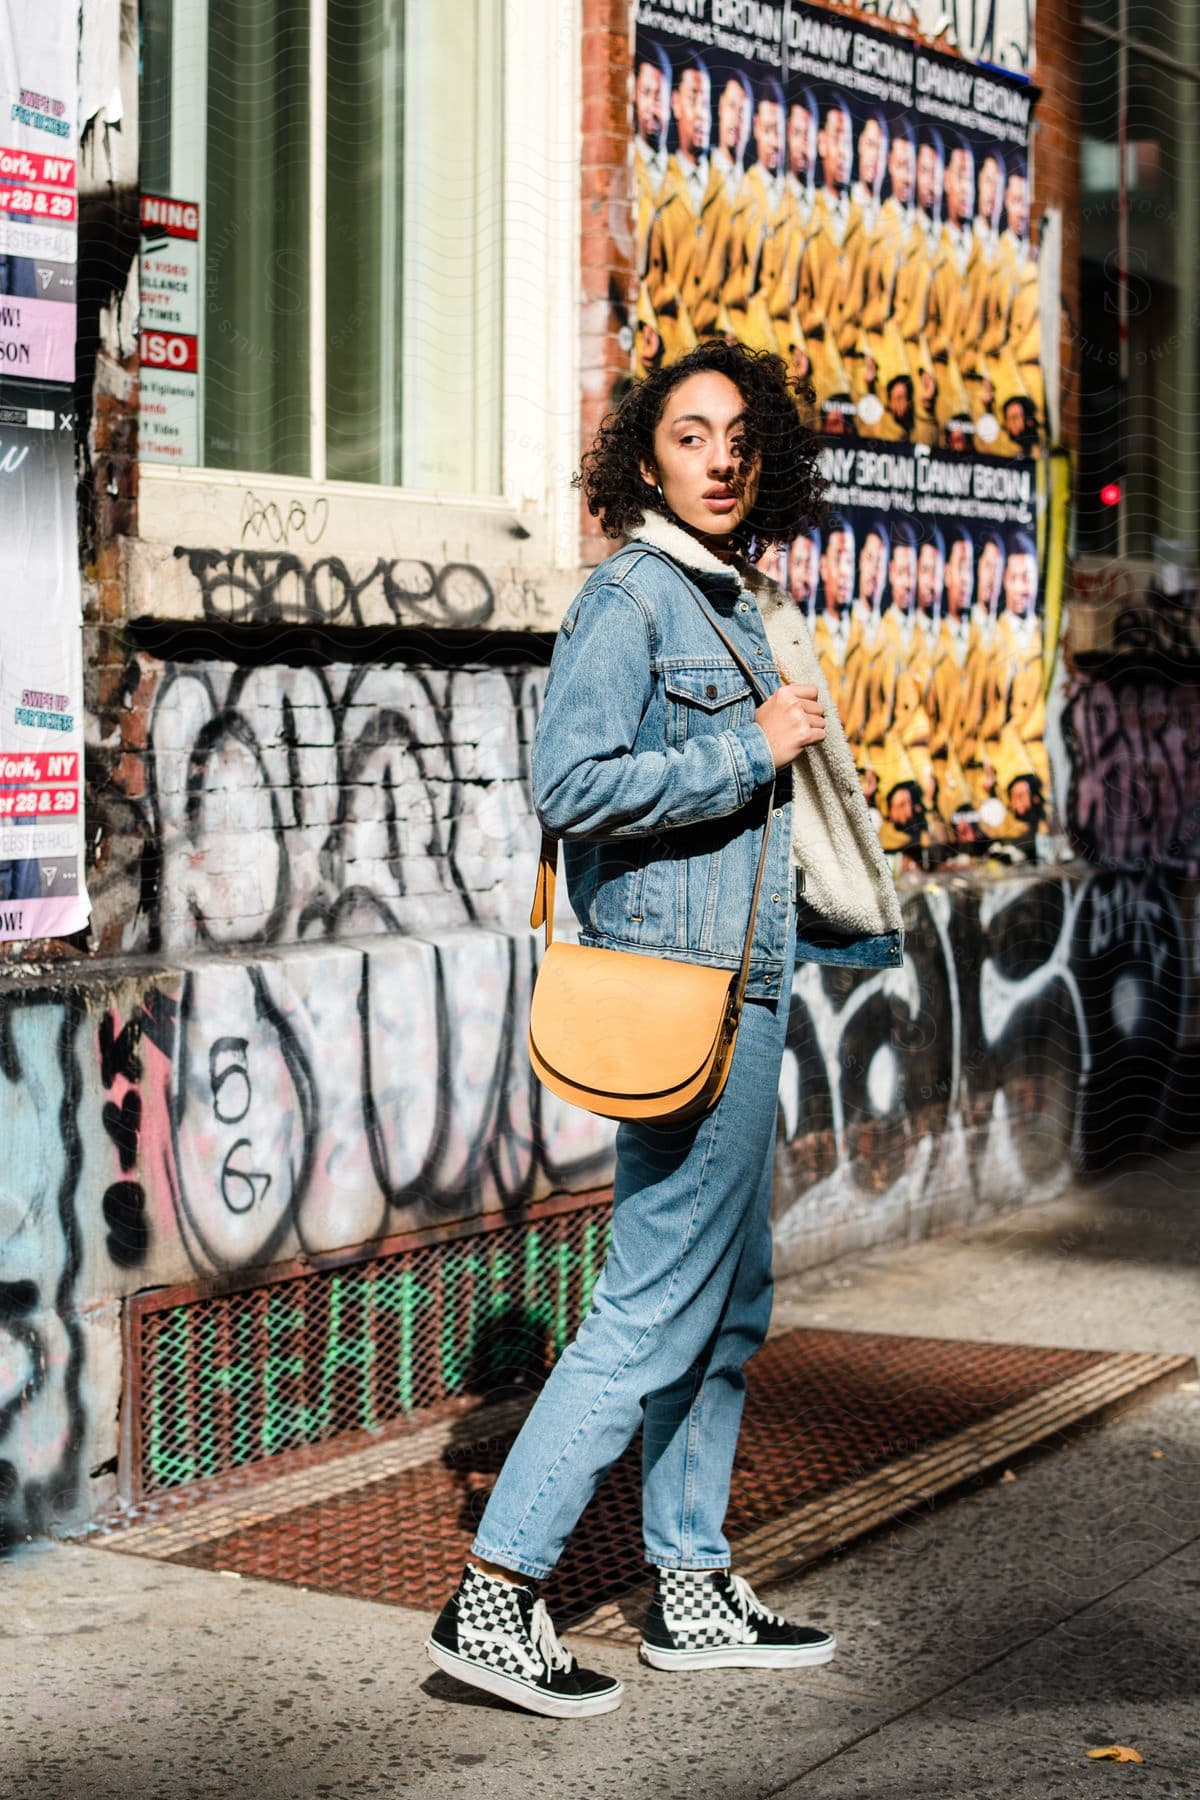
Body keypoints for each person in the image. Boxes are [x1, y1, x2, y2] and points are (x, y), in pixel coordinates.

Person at [425, 339, 904, 1718]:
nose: (721, 459)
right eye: (692, 436)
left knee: (731, 1299)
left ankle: (688, 1583)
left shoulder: (734, 601)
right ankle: (499, 1591)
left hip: (744, 988)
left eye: (741, 438)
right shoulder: (632, 597)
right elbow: (572, 782)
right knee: (649, 1307)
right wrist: (744, 748)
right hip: (679, 992)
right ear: (645, 456)